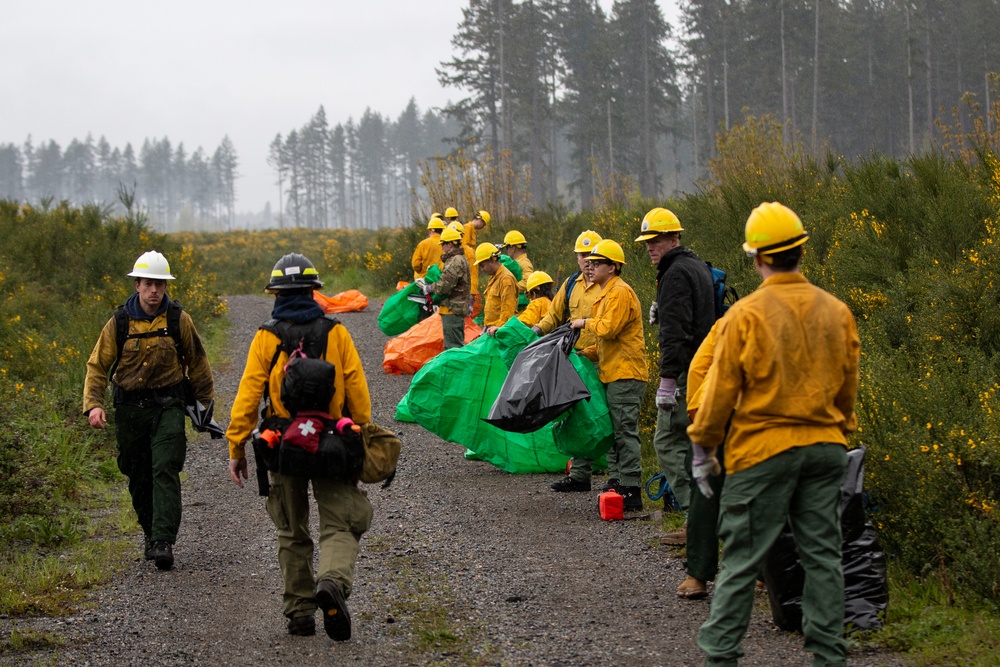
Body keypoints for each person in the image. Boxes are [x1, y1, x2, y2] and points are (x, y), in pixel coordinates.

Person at [688, 202, 859, 667]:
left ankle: (721, 657)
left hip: (763, 453)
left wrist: (703, 445)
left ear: (757, 258)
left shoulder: (745, 315)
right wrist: (837, 432)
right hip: (825, 450)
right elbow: (847, 389)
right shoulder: (837, 311)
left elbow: (719, 389)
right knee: (823, 556)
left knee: (742, 560)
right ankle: (828, 656)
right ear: (801, 251)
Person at [226, 253, 374, 641]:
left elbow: (247, 396)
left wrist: (236, 447)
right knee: (341, 522)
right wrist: (362, 432)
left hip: (283, 444)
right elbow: (356, 388)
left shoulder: (266, 336)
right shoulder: (336, 331)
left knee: (292, 531)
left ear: (274, 293)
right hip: (333, 442)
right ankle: (332, 582)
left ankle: (300, 613)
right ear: (314, 291)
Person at [83, 250, 215, 571]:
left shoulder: (178, 320)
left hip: (168, 405)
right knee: (136, 472)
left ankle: (163, 540)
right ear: (137, 285)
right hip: (130, 410)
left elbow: (198, 364)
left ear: (165, 287)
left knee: (164, 467)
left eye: (160, 284)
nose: (154, 291)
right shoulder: (119, 322)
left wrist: (204, 408)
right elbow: (98, 365)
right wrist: (94, 405)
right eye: (148, 284)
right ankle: (149, 532)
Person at [635, 207, 716, 543]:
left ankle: (693, 518)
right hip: (705, 367)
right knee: (695, 444)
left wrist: (668, 382)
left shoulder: (675, 274)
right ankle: (706, 515)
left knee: (667, 441)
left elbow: (676, 333)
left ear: (673, 238)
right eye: (647, 242)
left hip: (686, 373)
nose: (650, 247)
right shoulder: (696, 265)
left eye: (656, 240)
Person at [569, 240, 647, 511]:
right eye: (588, 262)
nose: (590, 266)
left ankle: (632, 490)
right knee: (616, 432)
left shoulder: (620, 293)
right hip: (613, 372)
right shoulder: (607, 293)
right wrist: (583, 354)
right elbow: (605, 343)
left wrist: (583, 323)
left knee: (625, 432)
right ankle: (621, 484)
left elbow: (609, 329)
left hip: (626, 374)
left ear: (613, 267)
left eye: (597, 263)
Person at [537, 230, 604, 492]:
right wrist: (533, 333)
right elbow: (553, 316)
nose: (587, 261)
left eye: (592, 255)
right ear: (576, 258)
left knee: (604, 415)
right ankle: (579, 476)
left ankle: (616, 476)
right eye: (582, 255)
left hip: (600, 361)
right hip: (576, 362)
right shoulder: (571, 284)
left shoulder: (608, 285)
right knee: (579, 416)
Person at [675, 320, 724, 600]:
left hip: (715, 411)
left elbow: (698, 367)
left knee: (705, 494)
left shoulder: (736, 317)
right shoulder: (822, 314)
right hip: (766, 419)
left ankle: (697, 576)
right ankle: (765, 576)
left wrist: (696, 412)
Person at [430, 226, 472, 350]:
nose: (442, 248)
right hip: (456, 309)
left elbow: (444, 286)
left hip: (452, 309)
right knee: (455, 345)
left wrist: (429, 288)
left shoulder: (455, 261)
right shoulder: (460, 259)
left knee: (453, 348)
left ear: (450, 244)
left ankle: (457, 370)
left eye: (443, 244)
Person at [475, 241, 518, 336]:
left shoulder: (506, 279)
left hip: (497, 331)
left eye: (483, 265)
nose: (482, 269)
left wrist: (500, 329)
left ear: (492, 260)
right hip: (490, 329)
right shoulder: (494, 277)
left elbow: (508, 310)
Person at [411, 213, 444, 280]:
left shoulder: (423, 244)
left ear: (430, 230)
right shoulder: (446, 244)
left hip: (425, 280)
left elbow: (416, 264)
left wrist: (421, 271)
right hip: (441, 280)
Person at [500, 230, 534, 294]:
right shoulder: (516, 262)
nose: (506, 251)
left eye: (507, 248)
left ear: (513, 248)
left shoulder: (524, 263)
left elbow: (527, 282)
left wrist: (509, 287)